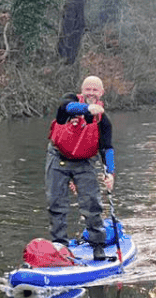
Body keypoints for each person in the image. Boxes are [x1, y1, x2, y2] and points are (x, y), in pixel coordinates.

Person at [47, 76, 116, 260]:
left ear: (101, 93)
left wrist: (110, 173)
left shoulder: (103, 121)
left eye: (95, 90)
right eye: (88, 90)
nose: (91, 93)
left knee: (91, 204)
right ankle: (59, 246)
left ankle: (98, 245)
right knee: (56, 203)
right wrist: (86, 109)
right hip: (58, 157)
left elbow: (107, 148)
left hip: (84, 162)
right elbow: (65, 108)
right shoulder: (70, 101)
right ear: (82, 91)